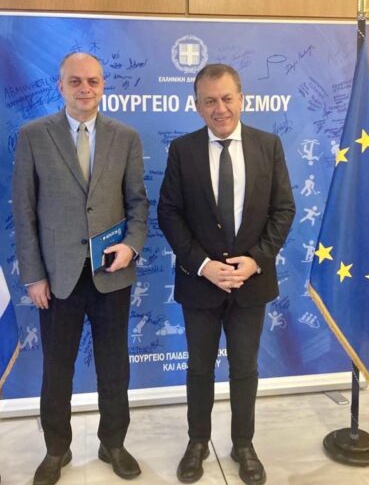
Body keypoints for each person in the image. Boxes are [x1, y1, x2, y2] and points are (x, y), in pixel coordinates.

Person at [13, 52, 148, 485]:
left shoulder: (126, 137)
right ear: (61, 86)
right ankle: (57, 449)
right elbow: (24, 213)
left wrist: (131, 246)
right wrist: (34, 276)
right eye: (75, 81)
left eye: (92, 81)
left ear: (103, 85)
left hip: (112, 274)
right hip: (57, 278)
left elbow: (138, 204)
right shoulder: (34, 136)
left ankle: (114, 444)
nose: (85, 88)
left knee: (114, 367)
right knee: (57, 369)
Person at [157, 64, 295, 485]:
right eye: (210, 101)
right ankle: (197, 442)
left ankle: (243, 444)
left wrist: (255, 260)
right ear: (197, 106)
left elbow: (283, 210)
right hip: (200, 283)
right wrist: (203, 265)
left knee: (245, 368)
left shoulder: (268, 145)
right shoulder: (182, 150)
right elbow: (169, 213)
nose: (220, 108)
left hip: (252, 283)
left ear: (242, 99)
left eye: (227, 98)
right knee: (199, 368)